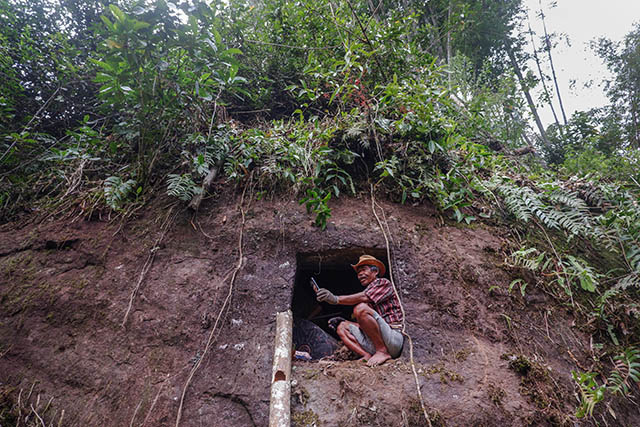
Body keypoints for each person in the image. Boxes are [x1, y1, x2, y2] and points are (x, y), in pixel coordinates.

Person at [315, 255, 404, 366]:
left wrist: (335, 299)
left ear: (375, 271)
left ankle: (382, 352)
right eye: (358, 272)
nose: (360, 274)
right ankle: (366, 356)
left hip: (393, 339)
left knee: (360, 309)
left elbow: (364, 297)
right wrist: (347, 322)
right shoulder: (370, 292)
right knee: (341, 326)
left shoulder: (383, 283)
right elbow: (369, 326)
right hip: (377, 341)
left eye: (363, 270)